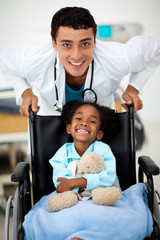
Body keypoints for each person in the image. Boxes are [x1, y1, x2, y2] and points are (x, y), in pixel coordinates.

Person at [0, 7, 160, 116]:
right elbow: (5, 62)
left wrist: (134, 88)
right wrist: (25, 92)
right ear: (54, 44)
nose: (76, 56)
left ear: (95, 41)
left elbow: (156, 48)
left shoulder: (118, 58)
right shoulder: (33, 60)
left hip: (100, 129)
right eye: (67, 45)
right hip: (49, 129)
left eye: (85, 44)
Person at [49, 101, 120, 194]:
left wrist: (77, 182)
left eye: (92, 121)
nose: (84, 123)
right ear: (69, 128)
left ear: (99, 134)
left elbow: (109, 176)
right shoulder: (63, 152)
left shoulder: (103, 149)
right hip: (73, 199)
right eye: (78, 118)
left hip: (103, 197)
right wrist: (88, 185)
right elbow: (61, 184)